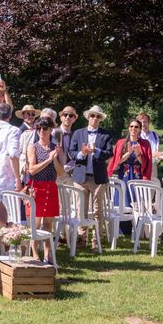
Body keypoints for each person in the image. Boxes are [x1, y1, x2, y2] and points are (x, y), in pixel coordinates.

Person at [68, 105, 114, 251]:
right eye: (92, 116)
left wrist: (96, 151)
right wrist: (82, 154)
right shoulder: (78, 133)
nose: (95, 119)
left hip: (98, 177)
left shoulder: (106, 135)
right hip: (80, 176)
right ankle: (82, 239)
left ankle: (96, 241)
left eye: (98, 116)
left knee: (97, 211)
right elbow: (71, 152)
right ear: (88, 117)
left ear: (100, 119)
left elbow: (108, 154)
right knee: (81, 210)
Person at [27, 117, 63, 263]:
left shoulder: (56, 147)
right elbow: (32, 170)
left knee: (48, 225)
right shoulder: (33, 147)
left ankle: (48, 254)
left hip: (51, 187)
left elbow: (60, 172)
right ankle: (35, 254)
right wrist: (48, 160)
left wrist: (54, 159)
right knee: (34, 225)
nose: (42, 131)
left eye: (45, 128)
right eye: (39, 128)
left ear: (50, 130)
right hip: (37, 188)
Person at [107, 119, 152, 206]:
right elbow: (117, 161)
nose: (133, 128)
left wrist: (138, 154)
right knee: (122, 199)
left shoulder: (145, 143)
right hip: (124, 174)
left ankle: (136, 219)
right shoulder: (121, 143)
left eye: (136, 127)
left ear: (140, 129)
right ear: (128, 128)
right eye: (131, 126)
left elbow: (145, 163)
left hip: (137, 175)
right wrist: (129, 153)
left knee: (136, 199)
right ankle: (121, 219)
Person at [137, 112, 163, 181]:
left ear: (149, 122)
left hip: (152, 165)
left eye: (145, 122)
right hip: (141, 166)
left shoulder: (154, 135)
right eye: (141, 122)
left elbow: (157, 150)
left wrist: (161, 155)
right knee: (143, 188)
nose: (143, 124)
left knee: (153, 187)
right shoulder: (137, 136)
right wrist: (153, 154)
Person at [53, 106, 78, 184]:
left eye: (71, 115)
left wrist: (68, 167)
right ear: (61, 117)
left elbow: (76, 154)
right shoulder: (54, 132)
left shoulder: (76, 135)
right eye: (65, 115)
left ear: (74, 119)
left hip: (70, 174)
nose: (68, 117)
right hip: (54, 173)